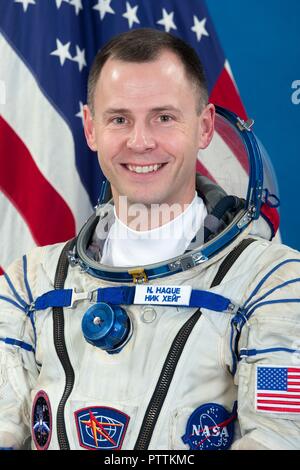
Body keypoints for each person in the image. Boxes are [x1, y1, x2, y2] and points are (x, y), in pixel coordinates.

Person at [0, 28, 299, 451]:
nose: (140, 142)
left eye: (164, 117)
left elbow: (280, 437)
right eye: (119, 119)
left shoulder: (272, 284)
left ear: (205, 126)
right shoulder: (30, 284)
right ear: (90, 129)